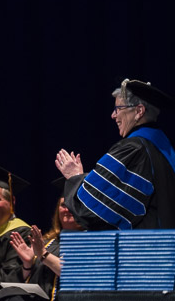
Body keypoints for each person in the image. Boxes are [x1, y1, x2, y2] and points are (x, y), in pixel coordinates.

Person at [56, 78, 175, 230]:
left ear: (139, 111)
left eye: (118, 109)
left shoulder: (134, 149)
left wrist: (75, 177)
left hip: (146, 249)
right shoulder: (164, 149)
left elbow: (93, 212)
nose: (113, 115)